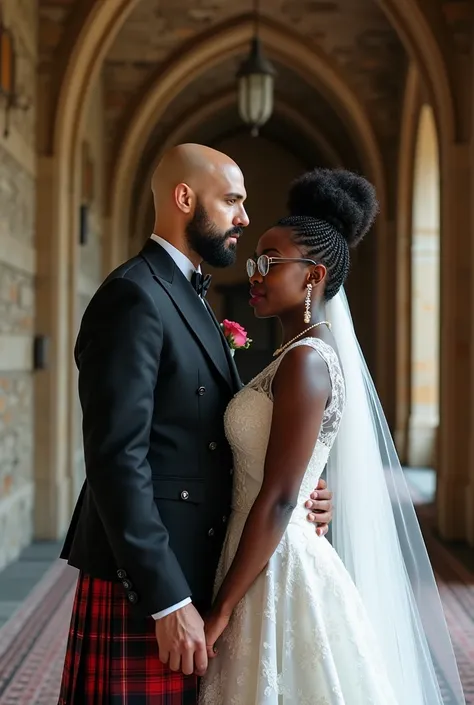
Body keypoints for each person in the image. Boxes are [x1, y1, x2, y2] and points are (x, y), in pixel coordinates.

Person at [57, 144, 333, 705]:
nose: (244, 219)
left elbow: (213, 433)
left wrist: (301, 485)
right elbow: (117, 458)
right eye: (232, 200)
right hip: (150, 582)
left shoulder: (186, 293)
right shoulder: (134, 295)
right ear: (185, 198)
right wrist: (165, 600)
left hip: (198, 565)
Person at [198, 168, 466, 704]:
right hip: (259, 552)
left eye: (269, 262)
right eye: (255, 261)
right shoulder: (295, 355)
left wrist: (221, 610)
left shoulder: (305, 363)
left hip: (276, 564)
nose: (255, 273)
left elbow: (276, 500)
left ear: (314, 275)